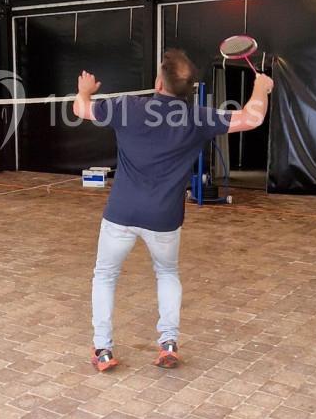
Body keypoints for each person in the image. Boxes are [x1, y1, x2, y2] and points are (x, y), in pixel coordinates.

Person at [73, 49, 273, 372]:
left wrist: (84, 90)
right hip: (164, 219)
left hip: (120, 214)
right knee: (166, 273)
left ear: (158, 82)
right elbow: (252, 117)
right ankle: (168, 342)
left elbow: (80, 108)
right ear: (189, 90)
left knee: (105, 276)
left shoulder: (127, 107)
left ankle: (103, 350)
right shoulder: (197, 117)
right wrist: (260, 89)